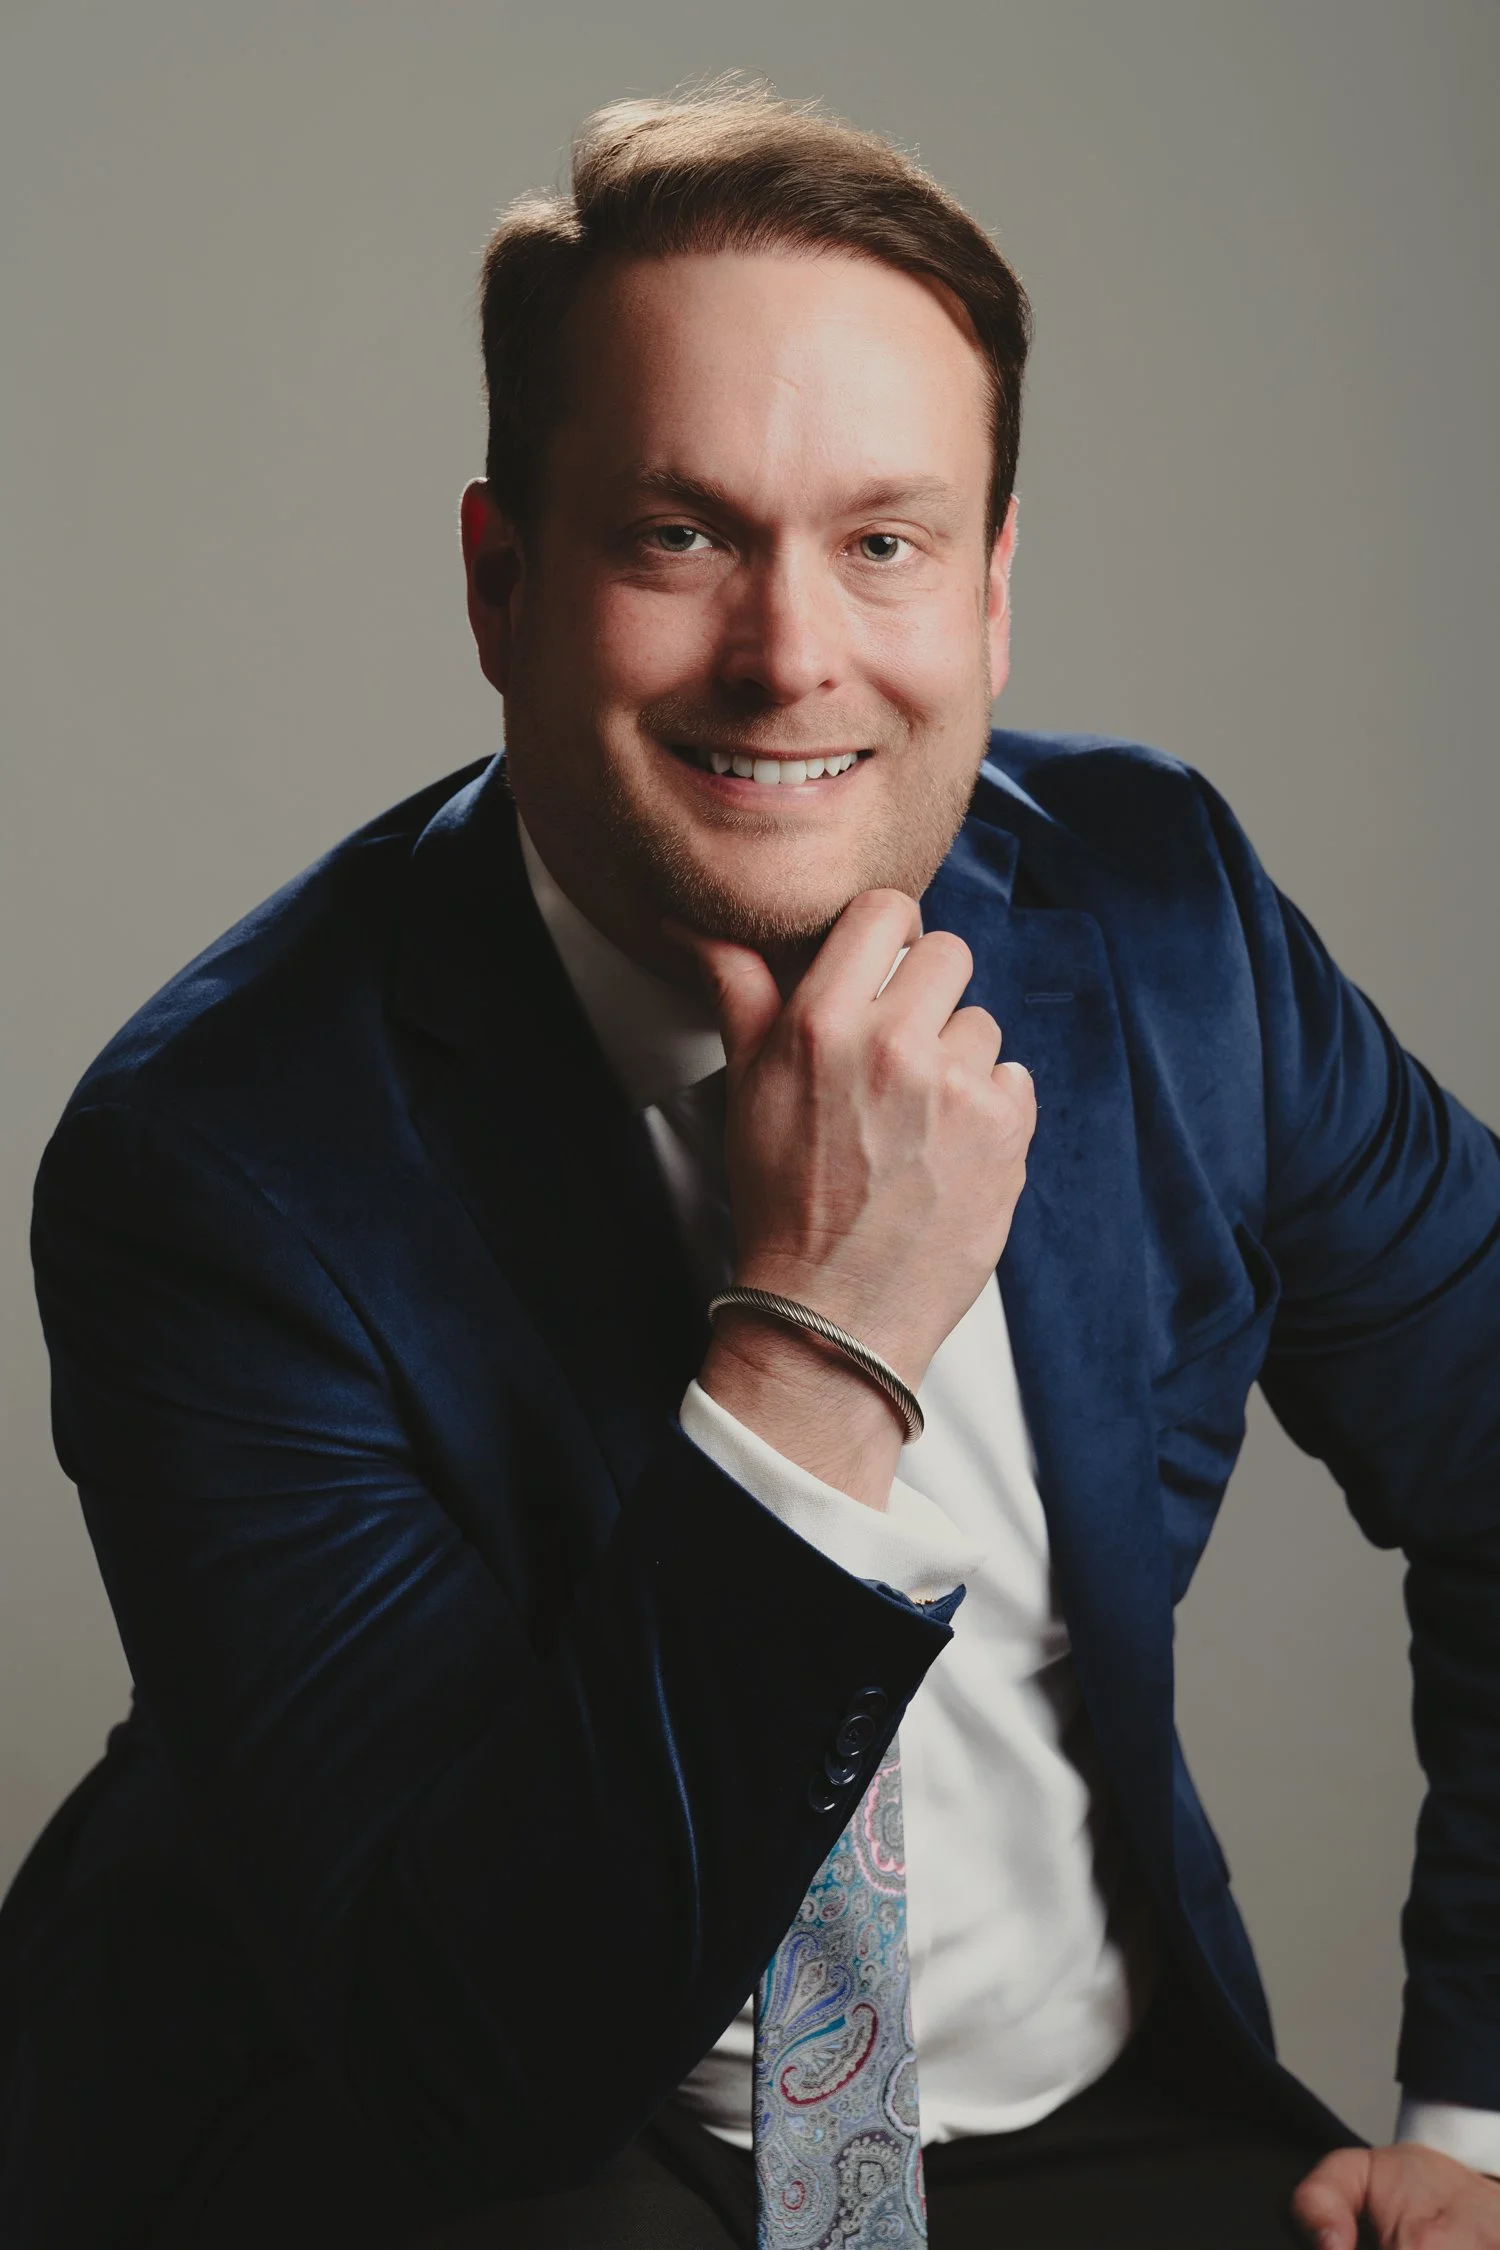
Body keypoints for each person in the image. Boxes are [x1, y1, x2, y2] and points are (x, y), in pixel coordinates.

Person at [2, 79, 1498, 2250]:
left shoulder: (1172, 931)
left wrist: (1472, 2128)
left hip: (1071, 2132)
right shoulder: (218, 1173)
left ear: (990, 594)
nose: (791, 653)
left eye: (883, 541)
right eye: (678, 533)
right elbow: (479, 2057)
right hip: (461, 2147)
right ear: (503, 583)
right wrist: (821, 1339)